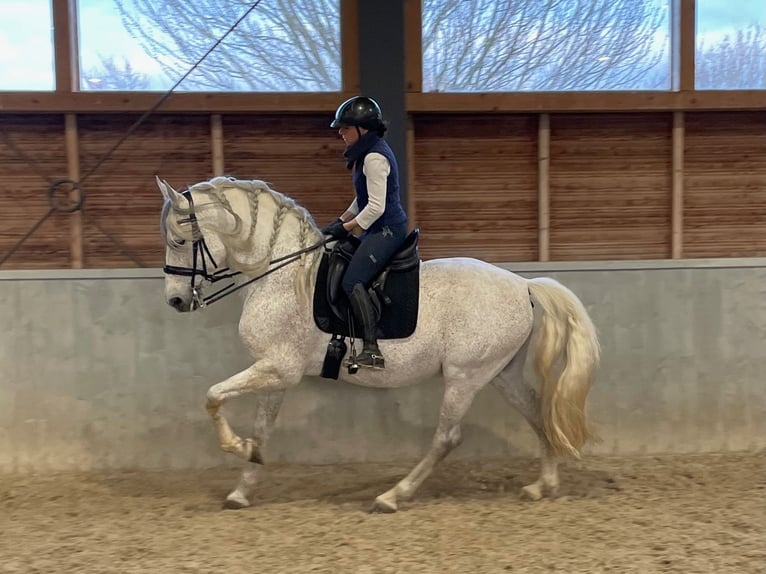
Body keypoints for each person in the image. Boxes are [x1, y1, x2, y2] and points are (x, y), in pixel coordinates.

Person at [322, 96, 409, 369]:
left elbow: (375, 207)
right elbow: (361, 199)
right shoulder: (364, 154)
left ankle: (372, 349)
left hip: (387, 230)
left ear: (362, 129)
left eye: (345, 127)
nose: (340, 132)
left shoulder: (374, 157)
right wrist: (340, 220)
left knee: (351, 281)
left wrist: (347, 228)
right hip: (375, 226)